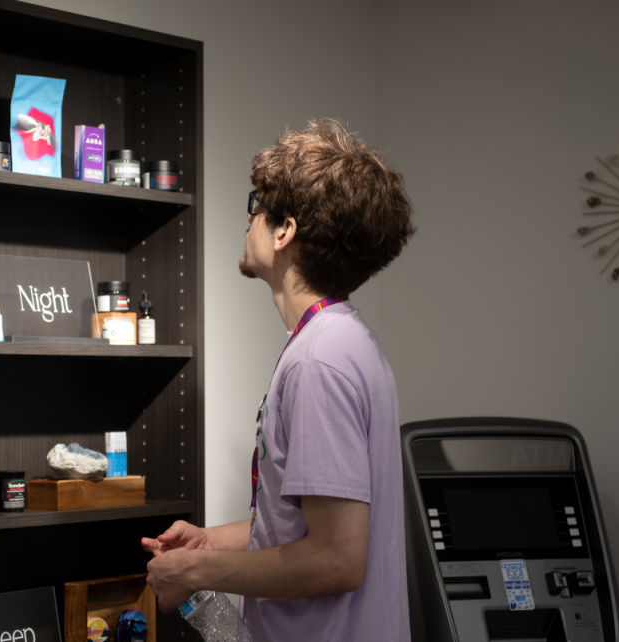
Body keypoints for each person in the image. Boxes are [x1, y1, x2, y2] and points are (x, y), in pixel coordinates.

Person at [142, 119, 415, 641]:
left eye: (255, 206)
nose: (246, 220)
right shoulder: (342, 341)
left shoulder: (319, 361)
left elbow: (336, 559)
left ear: (284, 230)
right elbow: (305, 524)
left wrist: (194, 573)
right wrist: (208, 542)